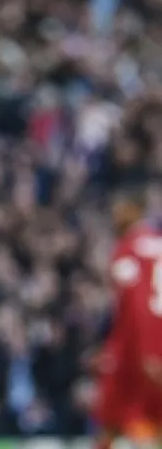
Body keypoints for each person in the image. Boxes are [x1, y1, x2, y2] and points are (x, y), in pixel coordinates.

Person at [94, 192, 162, 449]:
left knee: (124, 419)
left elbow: (135, 303)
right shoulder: (158, 242)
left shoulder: (126, 249)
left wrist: (145, 350)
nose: (114, 216)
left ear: (135, 209)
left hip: (136, 350)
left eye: (119, 208)